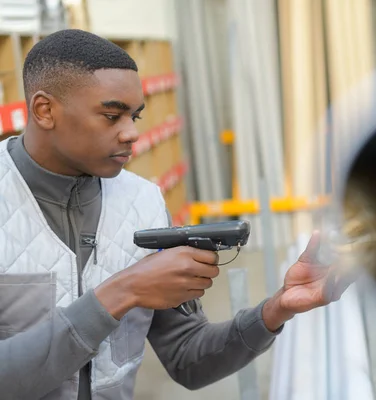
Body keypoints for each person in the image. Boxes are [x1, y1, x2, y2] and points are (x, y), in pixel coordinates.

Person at [0, 29, 351, 400]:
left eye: (135, 116)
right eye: (111, 115)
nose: (131, 133)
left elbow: (188, 358)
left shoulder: (143, 201)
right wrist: (122, 291)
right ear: (45, 110)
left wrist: (277, 308)